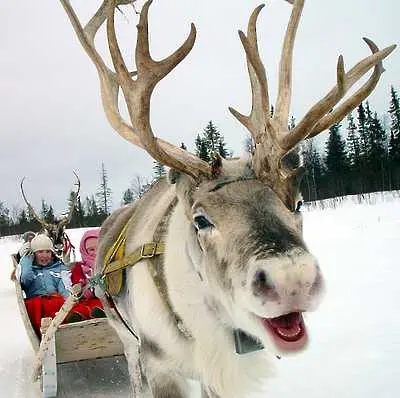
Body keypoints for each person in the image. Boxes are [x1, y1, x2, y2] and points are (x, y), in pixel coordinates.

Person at [20, 234, 91, 336]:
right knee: (42, 307)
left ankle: (77, 316)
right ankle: (62, 321)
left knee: (66, 305)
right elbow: (25, 278)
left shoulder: (58, 268)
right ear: (34, 254)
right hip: (37, 301)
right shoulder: (31, 270)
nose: (45, 255)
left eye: (48, 251)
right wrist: (27, 259)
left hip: (55, 298)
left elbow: (63, 286)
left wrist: (68, 301)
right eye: (40, 252)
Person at [71, 229, 105, 318]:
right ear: (84, 250)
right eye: (91, 250)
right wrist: (81, 285)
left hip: (105, 298)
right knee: (83, 308)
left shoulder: (107, 265)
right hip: (87, 298)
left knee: (103, 305)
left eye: (99, 249)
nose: (95, 253)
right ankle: (77, 317)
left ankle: (99, 314)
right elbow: (76, 280)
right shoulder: (80, 267)